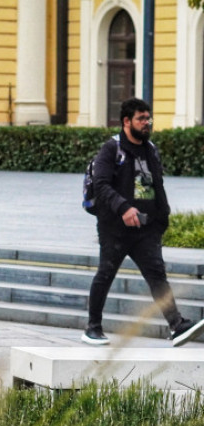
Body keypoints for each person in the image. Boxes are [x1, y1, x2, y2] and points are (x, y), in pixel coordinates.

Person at [83, 97, 204, 347]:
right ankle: (92, 327)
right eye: (141, 118)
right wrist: (124, 208)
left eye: (148, 118)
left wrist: (163, 217)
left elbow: (157, 185)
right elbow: (101, 185)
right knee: (105, 274)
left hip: (146, 229)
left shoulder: (151, 149)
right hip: (114, 228)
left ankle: (176, 325)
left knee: (157, 275)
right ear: (127, 121)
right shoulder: (111, 149)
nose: (146, 122)